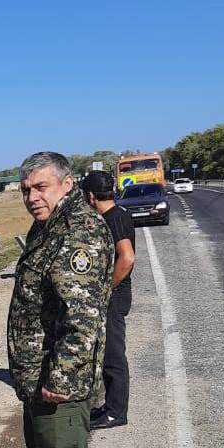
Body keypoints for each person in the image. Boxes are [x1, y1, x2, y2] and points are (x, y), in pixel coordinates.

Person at [7, 152, 114, 448]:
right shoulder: (48, 226)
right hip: (40, 376)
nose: (32, 197)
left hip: (59, 383)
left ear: (67, 184)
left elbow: (82, 319)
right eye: (26, 190)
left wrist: (61, 381)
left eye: (41, 187)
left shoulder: (78, 232)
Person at [81, 170, 135, 430]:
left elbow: (127, 257)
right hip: (111, 296)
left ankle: (116, 413)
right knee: (105, 354)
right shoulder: (112, 216)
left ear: (91, 196)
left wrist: (105, 289)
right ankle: (110, 405)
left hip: (114, 297)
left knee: (113, 356)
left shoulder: (114, 219)